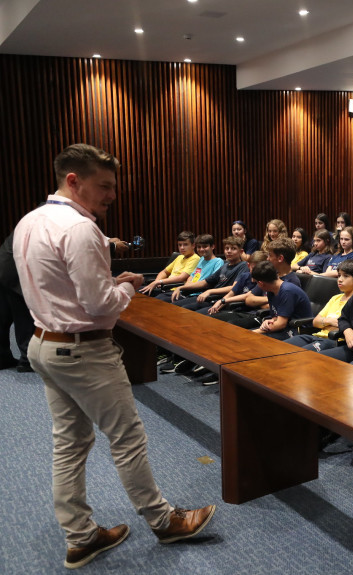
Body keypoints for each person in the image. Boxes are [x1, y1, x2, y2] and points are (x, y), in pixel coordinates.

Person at [13, 144, 215, 569]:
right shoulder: (81, 229)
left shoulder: (29, 221)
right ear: (73, 180)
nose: (111, 195)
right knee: (127, 438)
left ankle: (81, 537)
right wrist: (127, 285)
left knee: (69, 443)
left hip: (43, 344)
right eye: (104, 186)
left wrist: (106, 284)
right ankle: (164, 522)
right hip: (83, 352)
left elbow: (60, 286)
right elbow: (102, 306)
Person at [284, 261, 353, 352]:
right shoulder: (335, 298)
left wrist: (324, 322)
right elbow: (315, 322)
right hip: (316, 335)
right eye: (339, 275)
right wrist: (329, 321)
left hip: (333, 341)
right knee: (283, 346)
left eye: (345, 276)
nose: (340, 279)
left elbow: (342, 327)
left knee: (297, 353)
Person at [169, 236, 247, 311]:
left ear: (241, 252)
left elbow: (234, 287)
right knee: (175, 306)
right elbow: (205, 282)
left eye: (233, 249)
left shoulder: (243, 266)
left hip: (218, 299)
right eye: (227, 248)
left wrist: (209, 291)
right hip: (209, 297)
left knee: (185, 310)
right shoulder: (225, 266)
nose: (229, 251)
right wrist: (181, 287)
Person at [0, 231, 35, 371]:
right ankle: (27, 361)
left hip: (4, 262)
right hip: (16, 270)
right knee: (23, 315)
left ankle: (2, 358)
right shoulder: (48, 221)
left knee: (3, 316)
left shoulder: (33, 219)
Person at [249, 261, 312, 340]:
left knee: (252, 337)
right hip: (285, 326)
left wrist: (254, 332)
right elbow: (277, 316)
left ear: (261, 283)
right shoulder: (271, 290)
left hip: (298, 330)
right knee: (250, 335)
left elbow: (281, 324)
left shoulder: (287, 291)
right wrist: (271, 320)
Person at [156, 234, 222, 303]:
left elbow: (211, 282)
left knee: (170, 303)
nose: (201, 249)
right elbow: (192, 276)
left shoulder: (218, 261)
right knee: (159, 298)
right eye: (199, 247)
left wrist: (184, 288)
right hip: (188, 291)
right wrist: (186, 287)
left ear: (213, 246)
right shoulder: (202, 259)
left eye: (205, 247)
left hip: (200, 294)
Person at [138, 231, 199, 295]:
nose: (182, 248)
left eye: (185, 244)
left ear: (193, 245)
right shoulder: (180, 257)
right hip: (164, 287)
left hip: (174, 289)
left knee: (139, 294)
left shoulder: (195, 258)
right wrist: (157, 281)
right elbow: (164, 272)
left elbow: (181, 278)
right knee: (135, 291)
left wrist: (160, 282)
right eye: (180, 245)